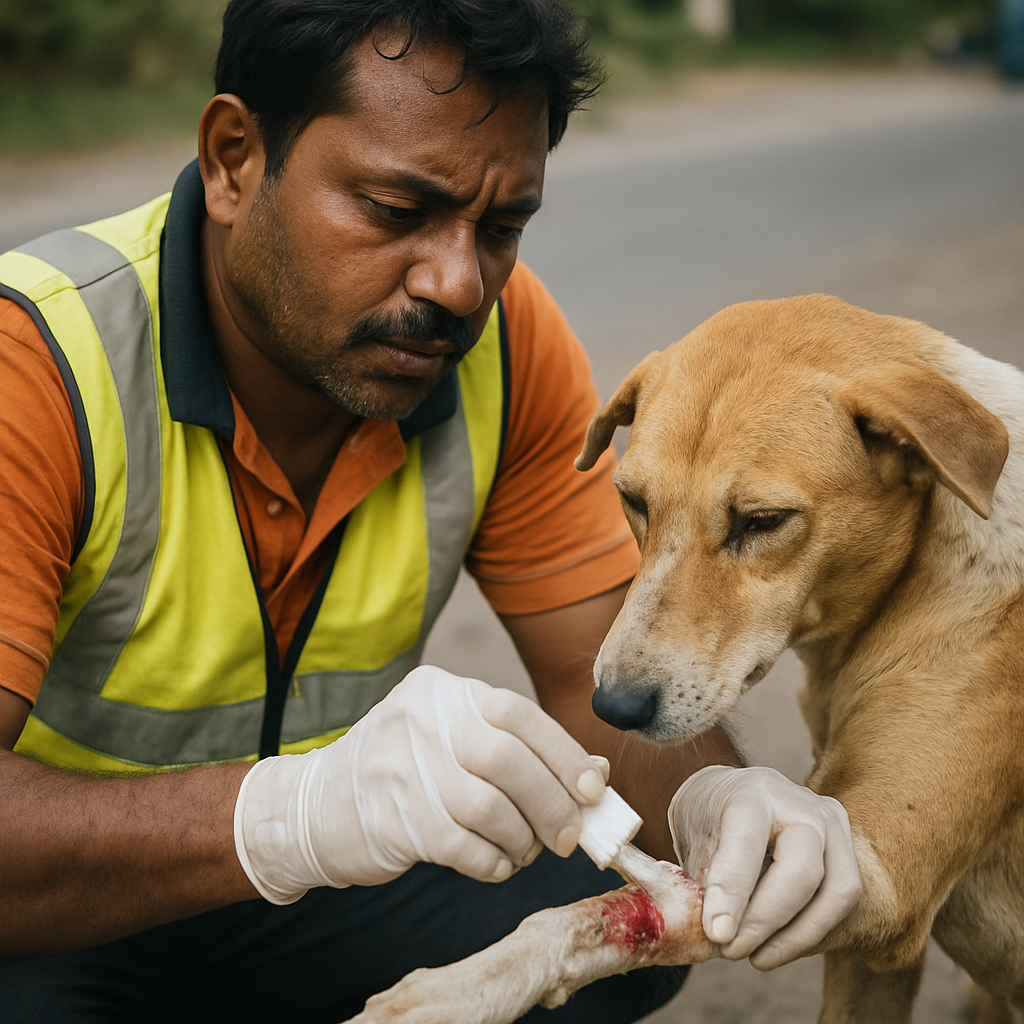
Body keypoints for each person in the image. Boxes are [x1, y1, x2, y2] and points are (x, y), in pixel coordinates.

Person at [0, 1, 861, 1021]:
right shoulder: (40, 360)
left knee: (616, 913)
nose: (458, 284)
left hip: (303, 902)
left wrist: (715, 807)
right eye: (396, 210)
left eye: (500, 228)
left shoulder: (505, 343)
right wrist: (291, 816)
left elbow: (603, 691)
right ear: (234, 159)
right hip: (54, 905)